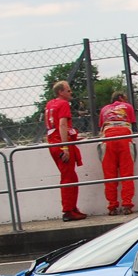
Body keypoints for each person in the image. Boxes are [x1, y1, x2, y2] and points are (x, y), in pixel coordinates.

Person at [45, 80, 87, 221]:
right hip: (61, 144)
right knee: (68, 178)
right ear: (60, 92)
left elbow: (55, 126)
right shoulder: (63, 104)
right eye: (68, 90)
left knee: (70, 177)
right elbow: (62, 125)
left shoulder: (50, 104)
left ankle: (72, 208)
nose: (70, 92)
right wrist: (65, 146)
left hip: (53, 144)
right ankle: (68, 211)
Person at [98, 89, 137, 215]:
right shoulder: (127, 107)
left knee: (109, 175)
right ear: (120, 98)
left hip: (107, 138)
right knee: (127, 174)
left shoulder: (104, 109)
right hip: (124, 137)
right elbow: (134, 126)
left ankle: (112, 207)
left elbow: (101, 127)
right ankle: (127, 205)